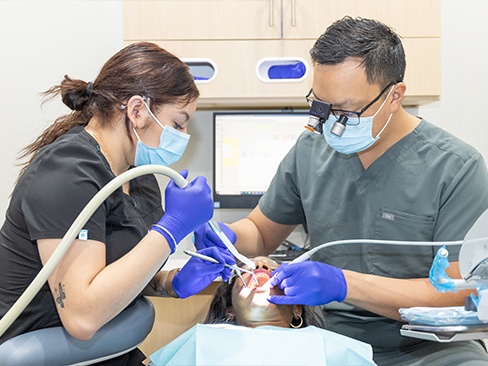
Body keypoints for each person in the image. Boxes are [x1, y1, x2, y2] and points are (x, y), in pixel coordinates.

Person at [194, 17, 488, 365]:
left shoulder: (457, 168)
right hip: (326, 342)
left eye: (346, 110)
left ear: (394, 96)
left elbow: (460, 294)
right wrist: (227, 237)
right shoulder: (311, 150)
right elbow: (260, 231)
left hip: (430, 349)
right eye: (321, 105)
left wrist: (342, 284)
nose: (330, 121)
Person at [0, 42, 231, 365]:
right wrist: (172, 229)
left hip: (111, 353)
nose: (184, 134)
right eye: (178, 123)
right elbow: (82, 316)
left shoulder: (136, 176)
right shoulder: (67, 172)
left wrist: (170, 282)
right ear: (137, 110)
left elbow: (115, 272)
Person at [148, 255, 376, 366]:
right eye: (246, 269)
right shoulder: (200, 341)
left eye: (272, 268)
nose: (260, 266)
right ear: (230, 311)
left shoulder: (330, 347)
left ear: (297, 308)